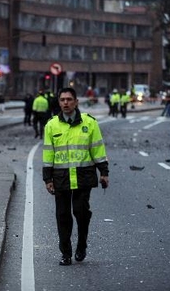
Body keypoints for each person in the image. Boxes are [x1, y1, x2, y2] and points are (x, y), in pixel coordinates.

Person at [42, 87, 109, 266]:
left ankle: (82, 245)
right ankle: (66, 253)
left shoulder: (90, 123)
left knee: (81, 213)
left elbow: (98, 149)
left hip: (83, 176)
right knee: (63, 216)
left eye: (69, 99)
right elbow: (48, 154)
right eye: (62, 99)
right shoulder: (51, 125)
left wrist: (104, 172)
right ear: (59, 102)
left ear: (76, 102)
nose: (66, 103)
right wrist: (47, 179)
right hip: (61, 178)